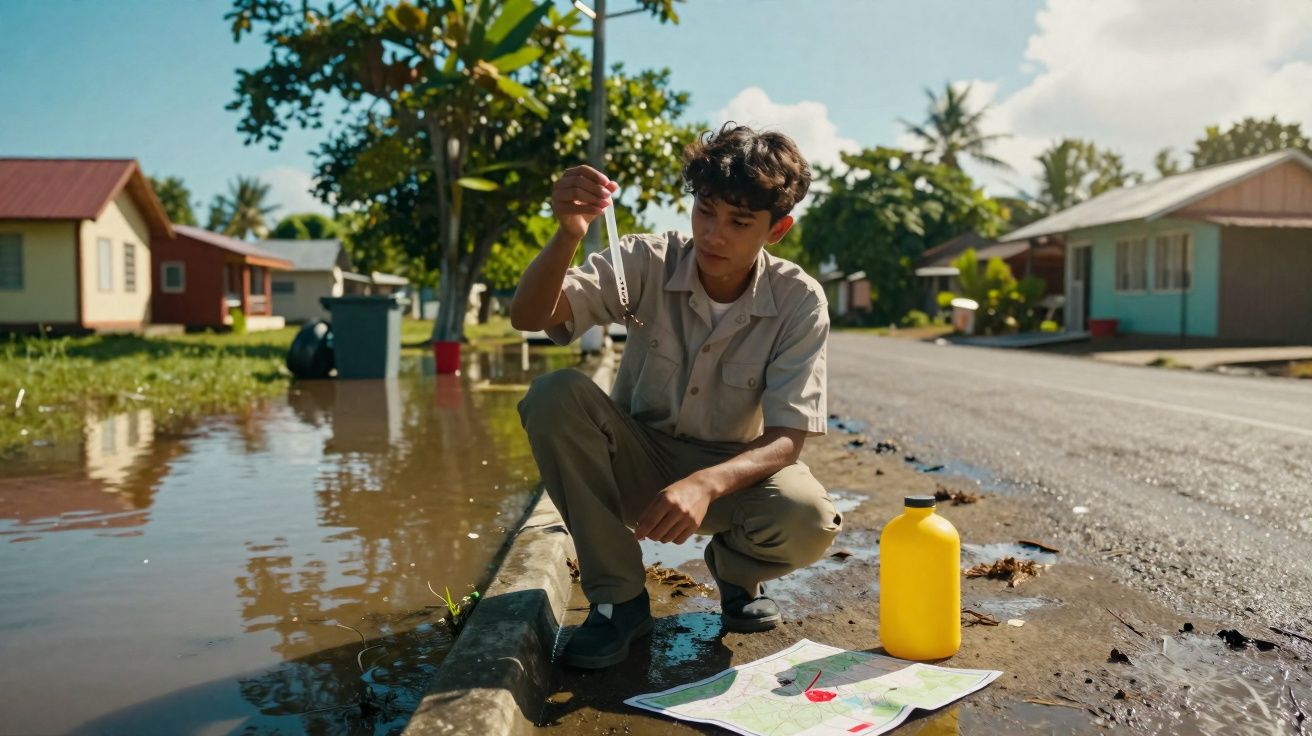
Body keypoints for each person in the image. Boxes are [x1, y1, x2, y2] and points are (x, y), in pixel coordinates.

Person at [511, 123, 841, 669]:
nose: (715, 234)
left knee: (807, 518)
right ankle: (619, 600)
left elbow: (787, 438)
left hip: (730, 476)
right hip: (634, 460)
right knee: (554, 395)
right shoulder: (643, 260)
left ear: (777, 229)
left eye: (740, 222)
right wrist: (568, 232)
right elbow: (529, 317)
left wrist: (704, 484)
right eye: (706, 211)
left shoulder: (799, 300)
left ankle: (738, 575)